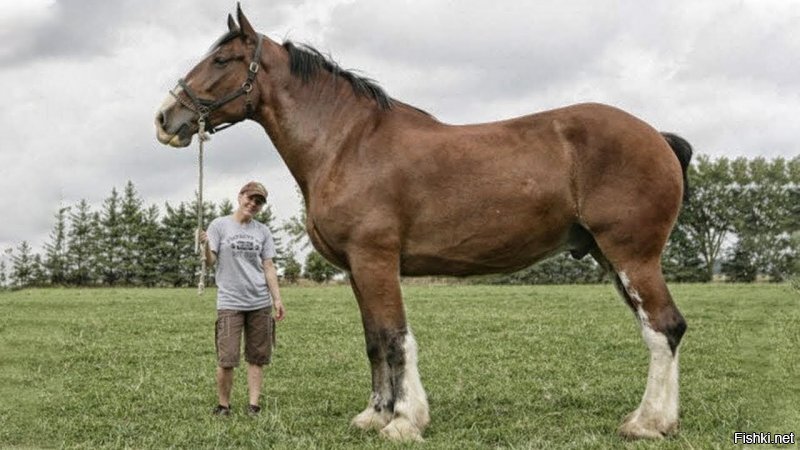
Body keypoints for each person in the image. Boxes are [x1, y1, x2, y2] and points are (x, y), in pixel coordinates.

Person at [198, 181, 286, 416]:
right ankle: (223, 406)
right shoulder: (219, 225)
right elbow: (210, 261)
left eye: (258, 202)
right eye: (250, 198)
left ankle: (254, 406)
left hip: (259, 302)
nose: (253, 204)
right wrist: (205, 246)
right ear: (240, 196)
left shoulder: (262, 231)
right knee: (226, 358)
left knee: (257, 357)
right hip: (230, 303)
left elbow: (268, 266)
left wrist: (277, 299)